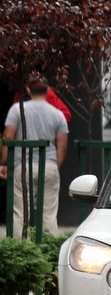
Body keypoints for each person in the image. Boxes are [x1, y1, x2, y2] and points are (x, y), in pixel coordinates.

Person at [1, 76, 69, 237]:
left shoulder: (17, 110)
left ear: (28, 89)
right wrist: (54, 165)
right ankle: (49, 247)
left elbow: (8, 137)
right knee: (49, 214)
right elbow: (62, 147)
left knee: (20, 212)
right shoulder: (58, 114)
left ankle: (20, 247)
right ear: (48, 90)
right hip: (49, 166)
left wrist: (4, 162)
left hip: (22, 165)